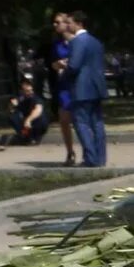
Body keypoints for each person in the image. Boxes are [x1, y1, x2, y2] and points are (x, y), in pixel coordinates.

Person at [57, 12, 108, 167]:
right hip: (96, 87)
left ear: (79, 23)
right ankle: (100, 157)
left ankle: (91, 159)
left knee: (82, 123)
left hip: (81, 88)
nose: (67, 26)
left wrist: (63, 73)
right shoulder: (95, 41)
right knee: (97, 123)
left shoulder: (77, 41)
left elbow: (74, 66)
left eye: (70, 22)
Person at [46, 29, 75, 165]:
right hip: (64, 85)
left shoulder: (77, 41)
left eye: (59, 22)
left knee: (81, 120)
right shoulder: (57, 44)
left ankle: (89, 151)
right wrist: (58, 64)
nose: (55, 25)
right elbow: (52, 64)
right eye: (55, 22)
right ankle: (70, 152)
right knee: (64, 119)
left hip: (77, 84)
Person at [3, 79, 47, 147]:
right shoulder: (21, 98)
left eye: (31, 90)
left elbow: (38, 110)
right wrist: (11, 105)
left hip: (37, 123)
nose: (30, 92)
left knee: (40, 117)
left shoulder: (36, 98)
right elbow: (10, 108)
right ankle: (25, 136)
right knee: (13, 115)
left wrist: (28, 120)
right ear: (22, 91)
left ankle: (34, 137)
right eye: (27, 91)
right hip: (27, 126)